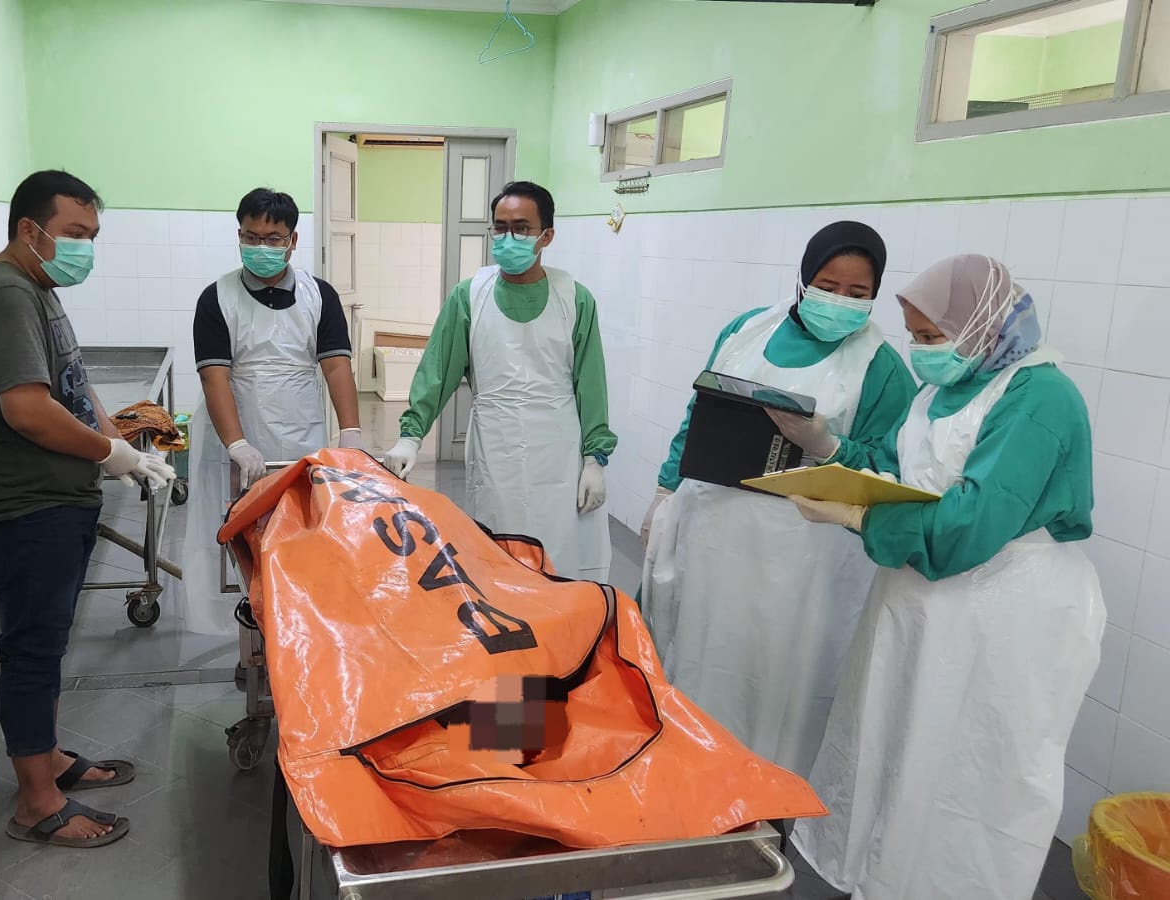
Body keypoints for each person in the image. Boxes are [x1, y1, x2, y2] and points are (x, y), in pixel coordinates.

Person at [789, 254, 1104, 900]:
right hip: (922, 598)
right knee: (898, 746)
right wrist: (833, 457)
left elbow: (971, 525)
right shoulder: (941, 387)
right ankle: (882, 880)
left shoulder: (1041, 397)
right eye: (915, 336)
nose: (922, 351)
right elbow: (901, 466)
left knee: (967, 772)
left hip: (1006, 608)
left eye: (932, 336)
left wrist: (861, 516)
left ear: (983, 324)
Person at [0, 170, 176, 849]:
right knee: (31, 652)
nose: (85, 249)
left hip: (54, 503)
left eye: (93, 236)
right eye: (75, 233)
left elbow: (73, 387)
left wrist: (121, 443)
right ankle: (36, 803)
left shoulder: (38, 289)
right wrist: (109, 453)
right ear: (30, 229)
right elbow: (27, 408)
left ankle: (44, 759)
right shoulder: (4, 293)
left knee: (45, 647)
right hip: (25, 510)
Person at [639, 221, 914, 778]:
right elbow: (698, 413)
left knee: (779, 682)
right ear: (804, 278)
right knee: (706, 657)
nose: (840, 300)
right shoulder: (747, 331)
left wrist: (829, 446)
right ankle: (694, 773)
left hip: (804, 555)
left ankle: (770, 792)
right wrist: (666, 488)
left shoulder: (880, 366)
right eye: (828, 286)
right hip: (715, 531)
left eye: (857, 292)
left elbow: (891, 465)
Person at [386, 181, 617, 581]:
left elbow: (591, 383)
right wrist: (411, 435)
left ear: (547, 236)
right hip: (496, 445)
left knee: (557, 555)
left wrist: (595, 459)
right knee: (496, 554)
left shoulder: (574, 299)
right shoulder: (470, 296)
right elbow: (437, 371)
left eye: (522, 228)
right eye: (500, 227)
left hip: (559, 448)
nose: (509, 238)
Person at [182, 187, 361, 640]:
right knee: (243, 541)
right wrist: (237, 443)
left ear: (292, 241)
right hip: (238, 434)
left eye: (272, 238)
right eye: (251, 237)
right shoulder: (217, 298)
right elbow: (215, 378)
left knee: (302, 535)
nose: (261, 247)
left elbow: (336, 366)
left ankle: (301, 637)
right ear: (239, 236)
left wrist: (351, 431)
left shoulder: (319, 295)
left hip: (302, 430)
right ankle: (252, 636)